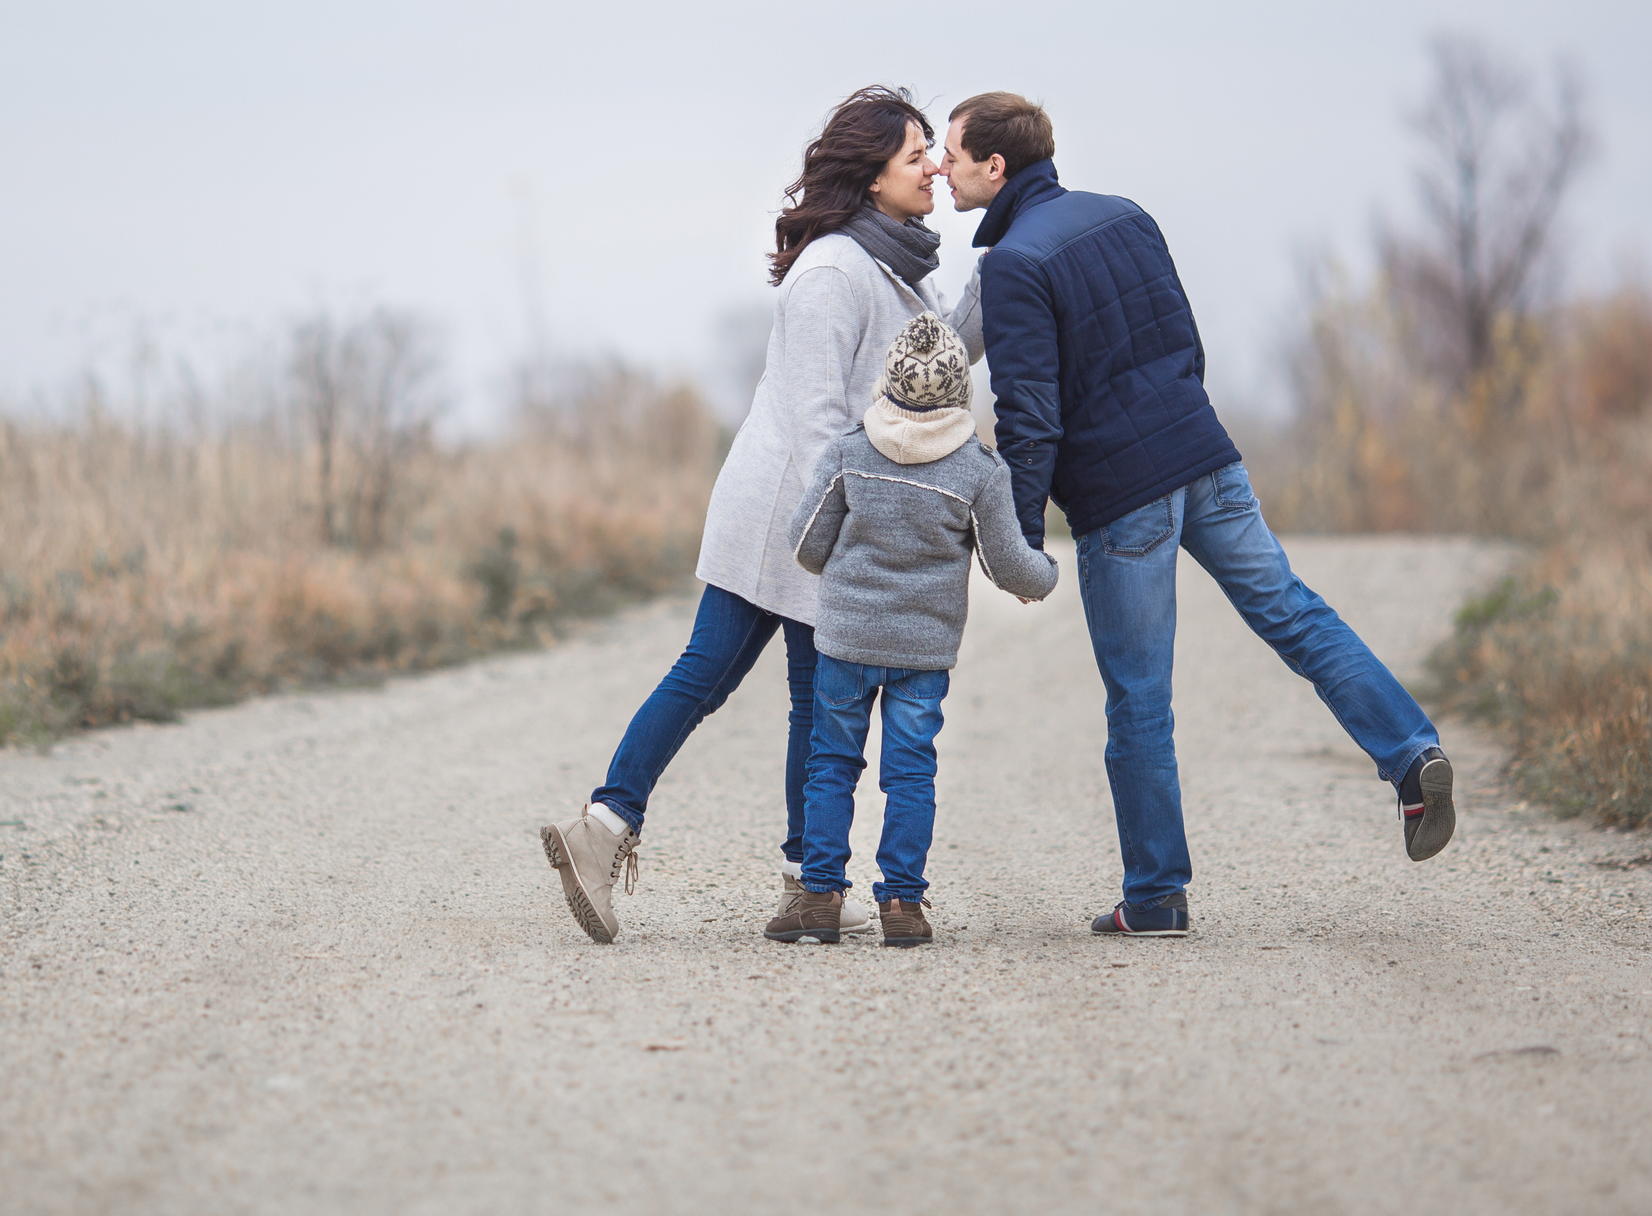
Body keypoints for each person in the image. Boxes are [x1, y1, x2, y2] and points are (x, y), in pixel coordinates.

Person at [937, 91, 1454, 938]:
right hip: (1207, 457)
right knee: (1295, 614)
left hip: (1122, 498)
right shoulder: (1127, 215)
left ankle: (1156, 894)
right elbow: (1187, 341)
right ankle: (1411, 753)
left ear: (996, 166)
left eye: (953, 155)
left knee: (1139, 698)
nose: (942, 169)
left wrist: (1020, 544)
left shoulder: (1013, 264)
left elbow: (1028, 414)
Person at [541, 86, 982, 943]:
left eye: (933, 152)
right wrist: (850, 531)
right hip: (791, 514)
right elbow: (821, 421)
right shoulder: (833, 272)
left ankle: (786, 875)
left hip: (816, 513)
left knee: (793, 696)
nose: (933, 167)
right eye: (915, 155)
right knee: (723, 678)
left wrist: (1005, 269)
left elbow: (933, 364)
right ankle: (625, 832)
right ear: (871, 175)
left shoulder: (893, 267)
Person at [767, 314, 1058, 949]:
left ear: (890, 383)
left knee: (831, 764)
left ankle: (819, 897)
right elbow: (1008, 565)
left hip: (846, 645)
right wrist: (1045, 576)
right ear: (959, 392)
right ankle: (901, 903)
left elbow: (806, 543)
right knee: (910, 773)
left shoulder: (849, 451)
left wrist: (847, 562)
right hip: (922, 654)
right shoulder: (978, 470)